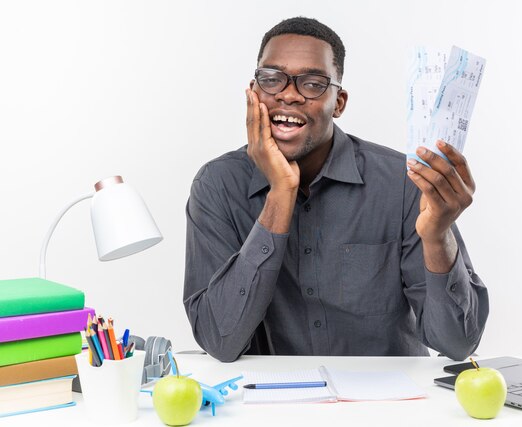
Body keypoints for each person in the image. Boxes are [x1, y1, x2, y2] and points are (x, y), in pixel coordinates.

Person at [183, 17, 488, 363]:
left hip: (388, 405)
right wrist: (280, 193)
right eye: (271, 79)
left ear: (338, 103)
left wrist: (438, 237)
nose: (288, 94)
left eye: (313, 84)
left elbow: (457, 343)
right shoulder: (217, 185)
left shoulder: (403, 184)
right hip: (270, 405)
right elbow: (218, 339)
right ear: (254, 92)